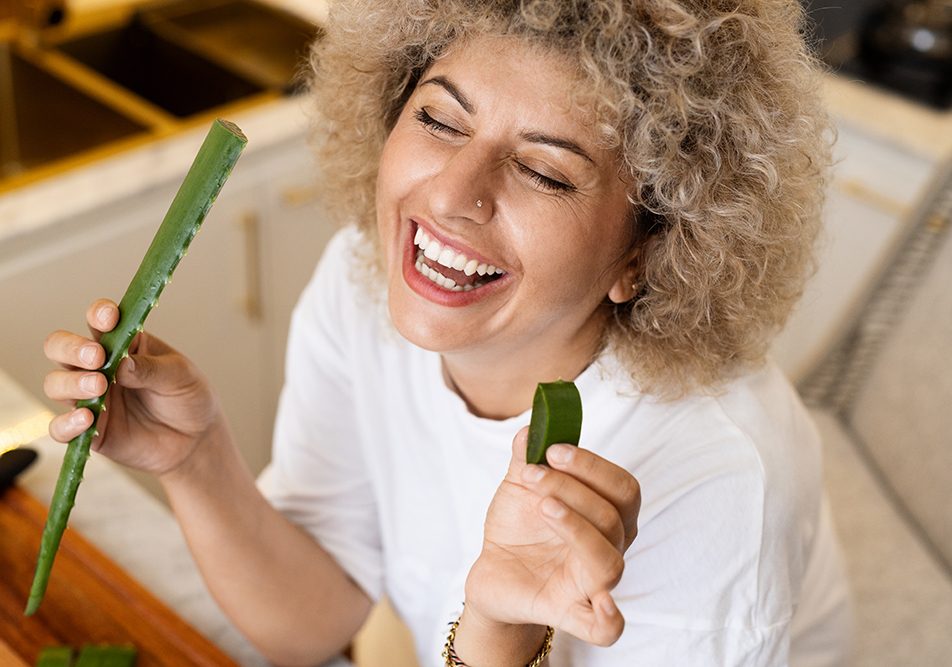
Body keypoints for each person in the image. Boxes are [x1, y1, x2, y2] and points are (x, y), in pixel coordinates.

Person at [41, 1, 852, 665]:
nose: (454, 194)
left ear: (645, 252)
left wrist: (497, 638)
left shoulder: (714, 475)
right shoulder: (361, 286)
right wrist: (194, 461)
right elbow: (313, 621)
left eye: (544, 170)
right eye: (440, 120)